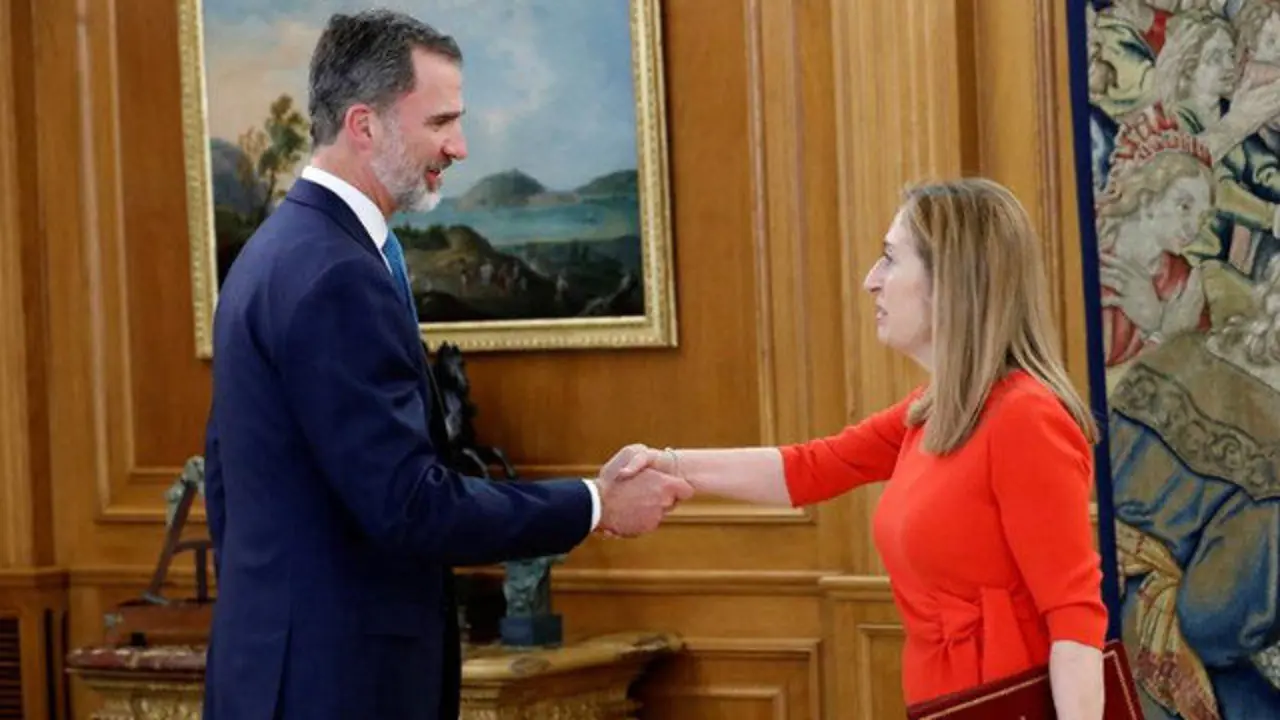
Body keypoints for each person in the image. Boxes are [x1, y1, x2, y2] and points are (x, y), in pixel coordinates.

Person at [199, 10, 691, 720]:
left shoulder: (277, 251)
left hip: (286, 672)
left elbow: (227, 477)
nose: (460, 147)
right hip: (336, 687)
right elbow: (409, 504)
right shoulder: (333, 271)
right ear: (364, 125)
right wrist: (594, 503)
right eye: (440, 122)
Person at [609, 178, 1110, 718]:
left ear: (954, 282)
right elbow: (811, 468)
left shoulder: (1025, 418)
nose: (871, 281)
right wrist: (667, 463)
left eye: (891, 260)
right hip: (942, 700)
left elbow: (1075, 622)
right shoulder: (936, 409)